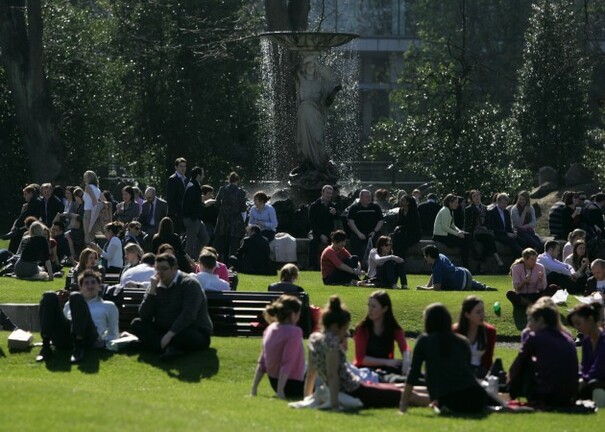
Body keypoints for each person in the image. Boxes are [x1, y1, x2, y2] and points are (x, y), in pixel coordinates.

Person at [305, 296, 427, 410]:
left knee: (401, 387)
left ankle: (437, 392)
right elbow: (332, 376)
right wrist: (335, 405)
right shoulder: (332, 344)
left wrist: (307, 398)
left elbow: (311, 373)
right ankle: (437, 399)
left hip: (360, 385)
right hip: (357, 391)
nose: (346, 334)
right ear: (336, 327)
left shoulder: (314, 339)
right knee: (409, 395)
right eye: (345, 329)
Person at [400, 303, 489, 414]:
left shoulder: (425, 340)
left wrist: (403, 404)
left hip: (450, 399)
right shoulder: (462, 341)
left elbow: (414, 373)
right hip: (477, 395)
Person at [130, 253, 213, 361]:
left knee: (184, 336)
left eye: (164, 269)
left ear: (174, 269)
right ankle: (169, 348)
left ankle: (152, 345)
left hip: (191, 329)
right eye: (157, 269)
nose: (160, 272)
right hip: (164, 328)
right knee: (136, 324)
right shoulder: (154, 284)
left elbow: (189, 315)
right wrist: (152, 292)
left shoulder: (189, 284)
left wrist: (169, 335)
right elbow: (144, 315)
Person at [36, 269, 119, 363]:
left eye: (93, 283)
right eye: (86, 283)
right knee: (49, 295)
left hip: (88, 337)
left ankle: (78, 347)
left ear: (99, 287)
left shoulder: (108, 306)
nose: (90, 286)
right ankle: (46, 346)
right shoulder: (69, 304)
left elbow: (113, 333)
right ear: (81, 287)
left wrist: (103, 342)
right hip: (66, 336)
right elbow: (64, 323)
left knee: (76, 297)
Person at [508, 301, 579, 409]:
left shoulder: (535, 337)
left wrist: (509, 381)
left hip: (546, 396)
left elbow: (518, 363)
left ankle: (510, 394)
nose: (528, 325)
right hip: (569, 396)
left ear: (541, 320)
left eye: (530, 320)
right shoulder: (568, 338)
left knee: (525, 364)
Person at [293, 55, 341, 174]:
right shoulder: (300, 78)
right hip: (304, 112)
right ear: (304, 67)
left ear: (316, 68)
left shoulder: (320, 81)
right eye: (308, 66)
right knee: (304, 140)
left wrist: (334, 91)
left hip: (316, 112)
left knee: (318, 138)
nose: (310, 68)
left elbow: (328, 97)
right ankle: (307, 163)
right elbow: (293, 69)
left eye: (313, 66)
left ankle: (319, 163)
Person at [251, 295, 306, 399]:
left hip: (274, 382)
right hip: (294, 385)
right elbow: (287, 363)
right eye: (298, 314)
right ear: (292, 314)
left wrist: (254, 388)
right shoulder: (294, 332)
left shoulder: (270, 328)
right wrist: (280, 392)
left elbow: (262, 361)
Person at [353, 290, 410, 376]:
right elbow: (360, 359)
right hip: (364, 371)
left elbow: (405, 347)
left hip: (386, 369)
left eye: (373, 306)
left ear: (385, 309)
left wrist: (406, 361)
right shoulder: (362, 329)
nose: (370, 310)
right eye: (369, 305)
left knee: (413, 372)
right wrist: (387, 362)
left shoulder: (393, 328)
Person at [567, 303, 605, 401]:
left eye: (578, 323)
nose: (577, 327)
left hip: (600, 379)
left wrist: (584, 380)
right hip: (592, 378)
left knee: (594, 384)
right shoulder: (587, 341)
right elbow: (584, 365)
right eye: (574, 325)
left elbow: (599, 367)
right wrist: (580, 377)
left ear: (590, 319)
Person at [417, 244, 494, 291]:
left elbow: (436, 288)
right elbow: (434, 275)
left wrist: (423, 289)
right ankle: (484, 287)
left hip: (462, 284)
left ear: (429, 256)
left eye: (425, 256)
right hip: (465, 273)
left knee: (465, 284)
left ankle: (482, 287)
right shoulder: (441, 256)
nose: (424, 258)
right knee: (470, 283)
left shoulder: (437, 267)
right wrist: (427, 286)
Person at [453, 296, 496, 378]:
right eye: (478, 312)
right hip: (458, 375)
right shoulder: (455, 331)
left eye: (483, 311)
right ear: (467, 315)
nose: (482, 315)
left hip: (479, 374)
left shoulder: (490, 331)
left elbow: (488, 359)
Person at [463, 189, 505, 270]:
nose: (477, 197)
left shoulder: (485, 208)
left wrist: (485, 226)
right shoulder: (468, 209)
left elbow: (488, 222)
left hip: (485, 231)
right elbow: (467, 224)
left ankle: (482, 263)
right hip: (475, 232)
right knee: (489, 239)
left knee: (488, 241)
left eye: (478, 195)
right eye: (474, 196)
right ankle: (496, 259)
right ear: (471, 198)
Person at [214, 172, 247, 263]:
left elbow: (217, 203)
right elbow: (243, 208)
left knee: (221, 243)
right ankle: (232, 264)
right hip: (235, 220)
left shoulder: (222, 189)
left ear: (229, 180)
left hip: (223, 220)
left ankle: (219, 262)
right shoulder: (241, 192)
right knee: (234, 245)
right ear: (237, 181)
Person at [347, 189, 384, 265]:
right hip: (359, 233)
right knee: (355, 242)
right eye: (366, 197)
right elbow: (350, 222)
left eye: (370, 197)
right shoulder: (354, 208)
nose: (369, 198)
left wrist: (374, 231)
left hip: (373, 233)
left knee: (381, 241)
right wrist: (358, 233)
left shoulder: (375, 207)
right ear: (361, 197)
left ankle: (379, 264)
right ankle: (356, 265)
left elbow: (381, 221)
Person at [3, 184, 42, 253]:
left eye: (25, 194)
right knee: (15, 236)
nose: (24, 196)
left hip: (30, 225)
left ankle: (12, 253)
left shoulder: (34, 202)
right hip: (27, 224)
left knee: (16, 238)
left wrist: (17, 225)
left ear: (31, 193)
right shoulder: (32, 202)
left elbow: (25, 215)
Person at [433, 194, 470, 268]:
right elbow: (444, 227)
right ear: (450, 203)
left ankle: (469, 261)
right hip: (441, 236)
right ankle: (466, 264)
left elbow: (452, 225)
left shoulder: (450, 210)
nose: (457, 204)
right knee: (465, 242)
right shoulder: (445, 211)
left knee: (468, 236)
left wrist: (459, 231)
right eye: (455, 202)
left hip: (445, 234)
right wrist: (457, 234)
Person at [308, 185, 339, 270]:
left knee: (336, 241)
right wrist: (321, 235)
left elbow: (338, 219)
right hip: (316, 231)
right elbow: (312, 223)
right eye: (327, 193)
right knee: (313, 242)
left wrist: (335, 214)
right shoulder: (314, 205)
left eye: (331, 193)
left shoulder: (333, 205)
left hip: (329, 231)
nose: (329, 195)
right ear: (322, 193)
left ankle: (334, 264)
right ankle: (312, 265)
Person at [182, 166, 209, 260]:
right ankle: (186, 263)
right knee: (190, 244)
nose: (204, 176)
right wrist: (193, 217)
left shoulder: (193, 185)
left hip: (196, 219)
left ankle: (196, 257)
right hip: (192, 219)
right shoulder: (193, 187)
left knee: (205, 238)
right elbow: (189, 205)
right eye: (202, 174)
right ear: (198, 175)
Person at [485, 193, 523, 258]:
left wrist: (513, 233)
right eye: (503, 203)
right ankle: (523, 256)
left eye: (506, 203)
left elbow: (508, 226)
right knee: (512, 241)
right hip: (498, 234)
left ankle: (517, 258)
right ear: (498, 202)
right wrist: (506, 233)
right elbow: (491, 227)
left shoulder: (506, 212)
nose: (505, 205)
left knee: (521, 240)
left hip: (507, 233)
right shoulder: (492, 212)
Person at [391, 195, 421, 259]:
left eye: (403, 200)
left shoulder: (413, 212)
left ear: (408, 202)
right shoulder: (401, 211)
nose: (401, 201)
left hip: (413, 233)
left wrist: (401, 227)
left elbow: (413, 225)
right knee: (395, 239)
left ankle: (401, 259)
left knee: (401, 243)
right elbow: (399, 222)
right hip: (403, 232)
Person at [166, 157, 188, 234]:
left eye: (184, 166)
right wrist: (175, 213)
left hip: (185, 214)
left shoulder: (186, 180)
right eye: (181, 166)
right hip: (176, 215)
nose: (183, 168)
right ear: (176, 167)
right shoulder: (172, 179)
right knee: (176, 235)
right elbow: (170, 198)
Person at [82, 170, 104, 244]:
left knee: (87, 235)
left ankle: (89, 249)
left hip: (88, 212)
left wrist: (94, 212)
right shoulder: (97, 189)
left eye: (85, 177)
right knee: (93, 235)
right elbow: (104, 200)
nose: (84, 179)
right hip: (95, 212)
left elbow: (94, 199)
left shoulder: (88, 187)